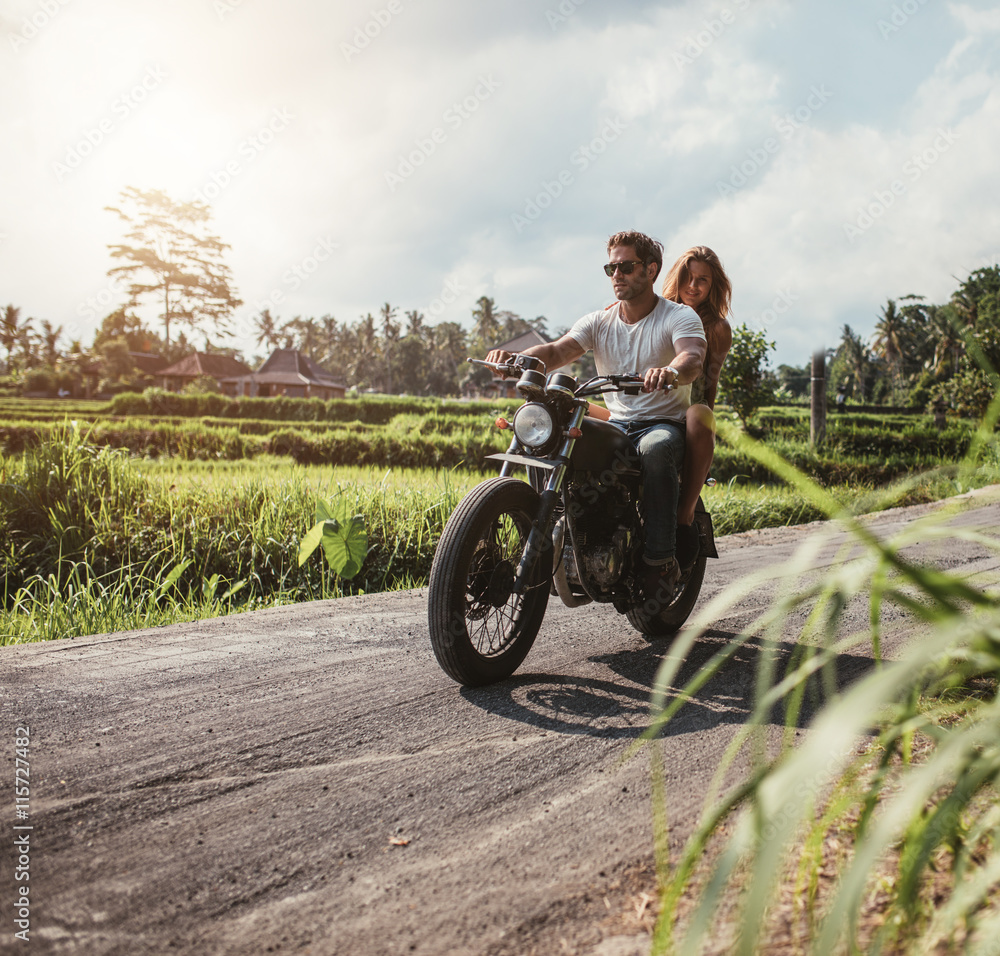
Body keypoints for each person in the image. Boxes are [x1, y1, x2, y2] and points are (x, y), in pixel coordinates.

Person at [486, 230, 706, 599]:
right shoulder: (598, 322)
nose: (616, 274)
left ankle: (659, 561)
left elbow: (692, 357)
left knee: (656, 450)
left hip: (661, 424)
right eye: (611, 267)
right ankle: (555, 533)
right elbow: (557, 351)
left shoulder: (678, 316)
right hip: (617, 424)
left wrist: (670, 371)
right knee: (552, 434)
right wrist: (516, 360)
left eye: (626, 266)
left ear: (651, 270)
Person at [659, 245, 733, 568]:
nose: (693, 286)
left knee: (699, 414)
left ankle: (685, 513)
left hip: (687, 409)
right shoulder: (654, 312)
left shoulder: (718, 328)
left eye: (702, 280)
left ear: (713, 286)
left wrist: (704, 433)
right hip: (649, 405)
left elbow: (711, 381)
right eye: (688, 277)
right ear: (677, 278)